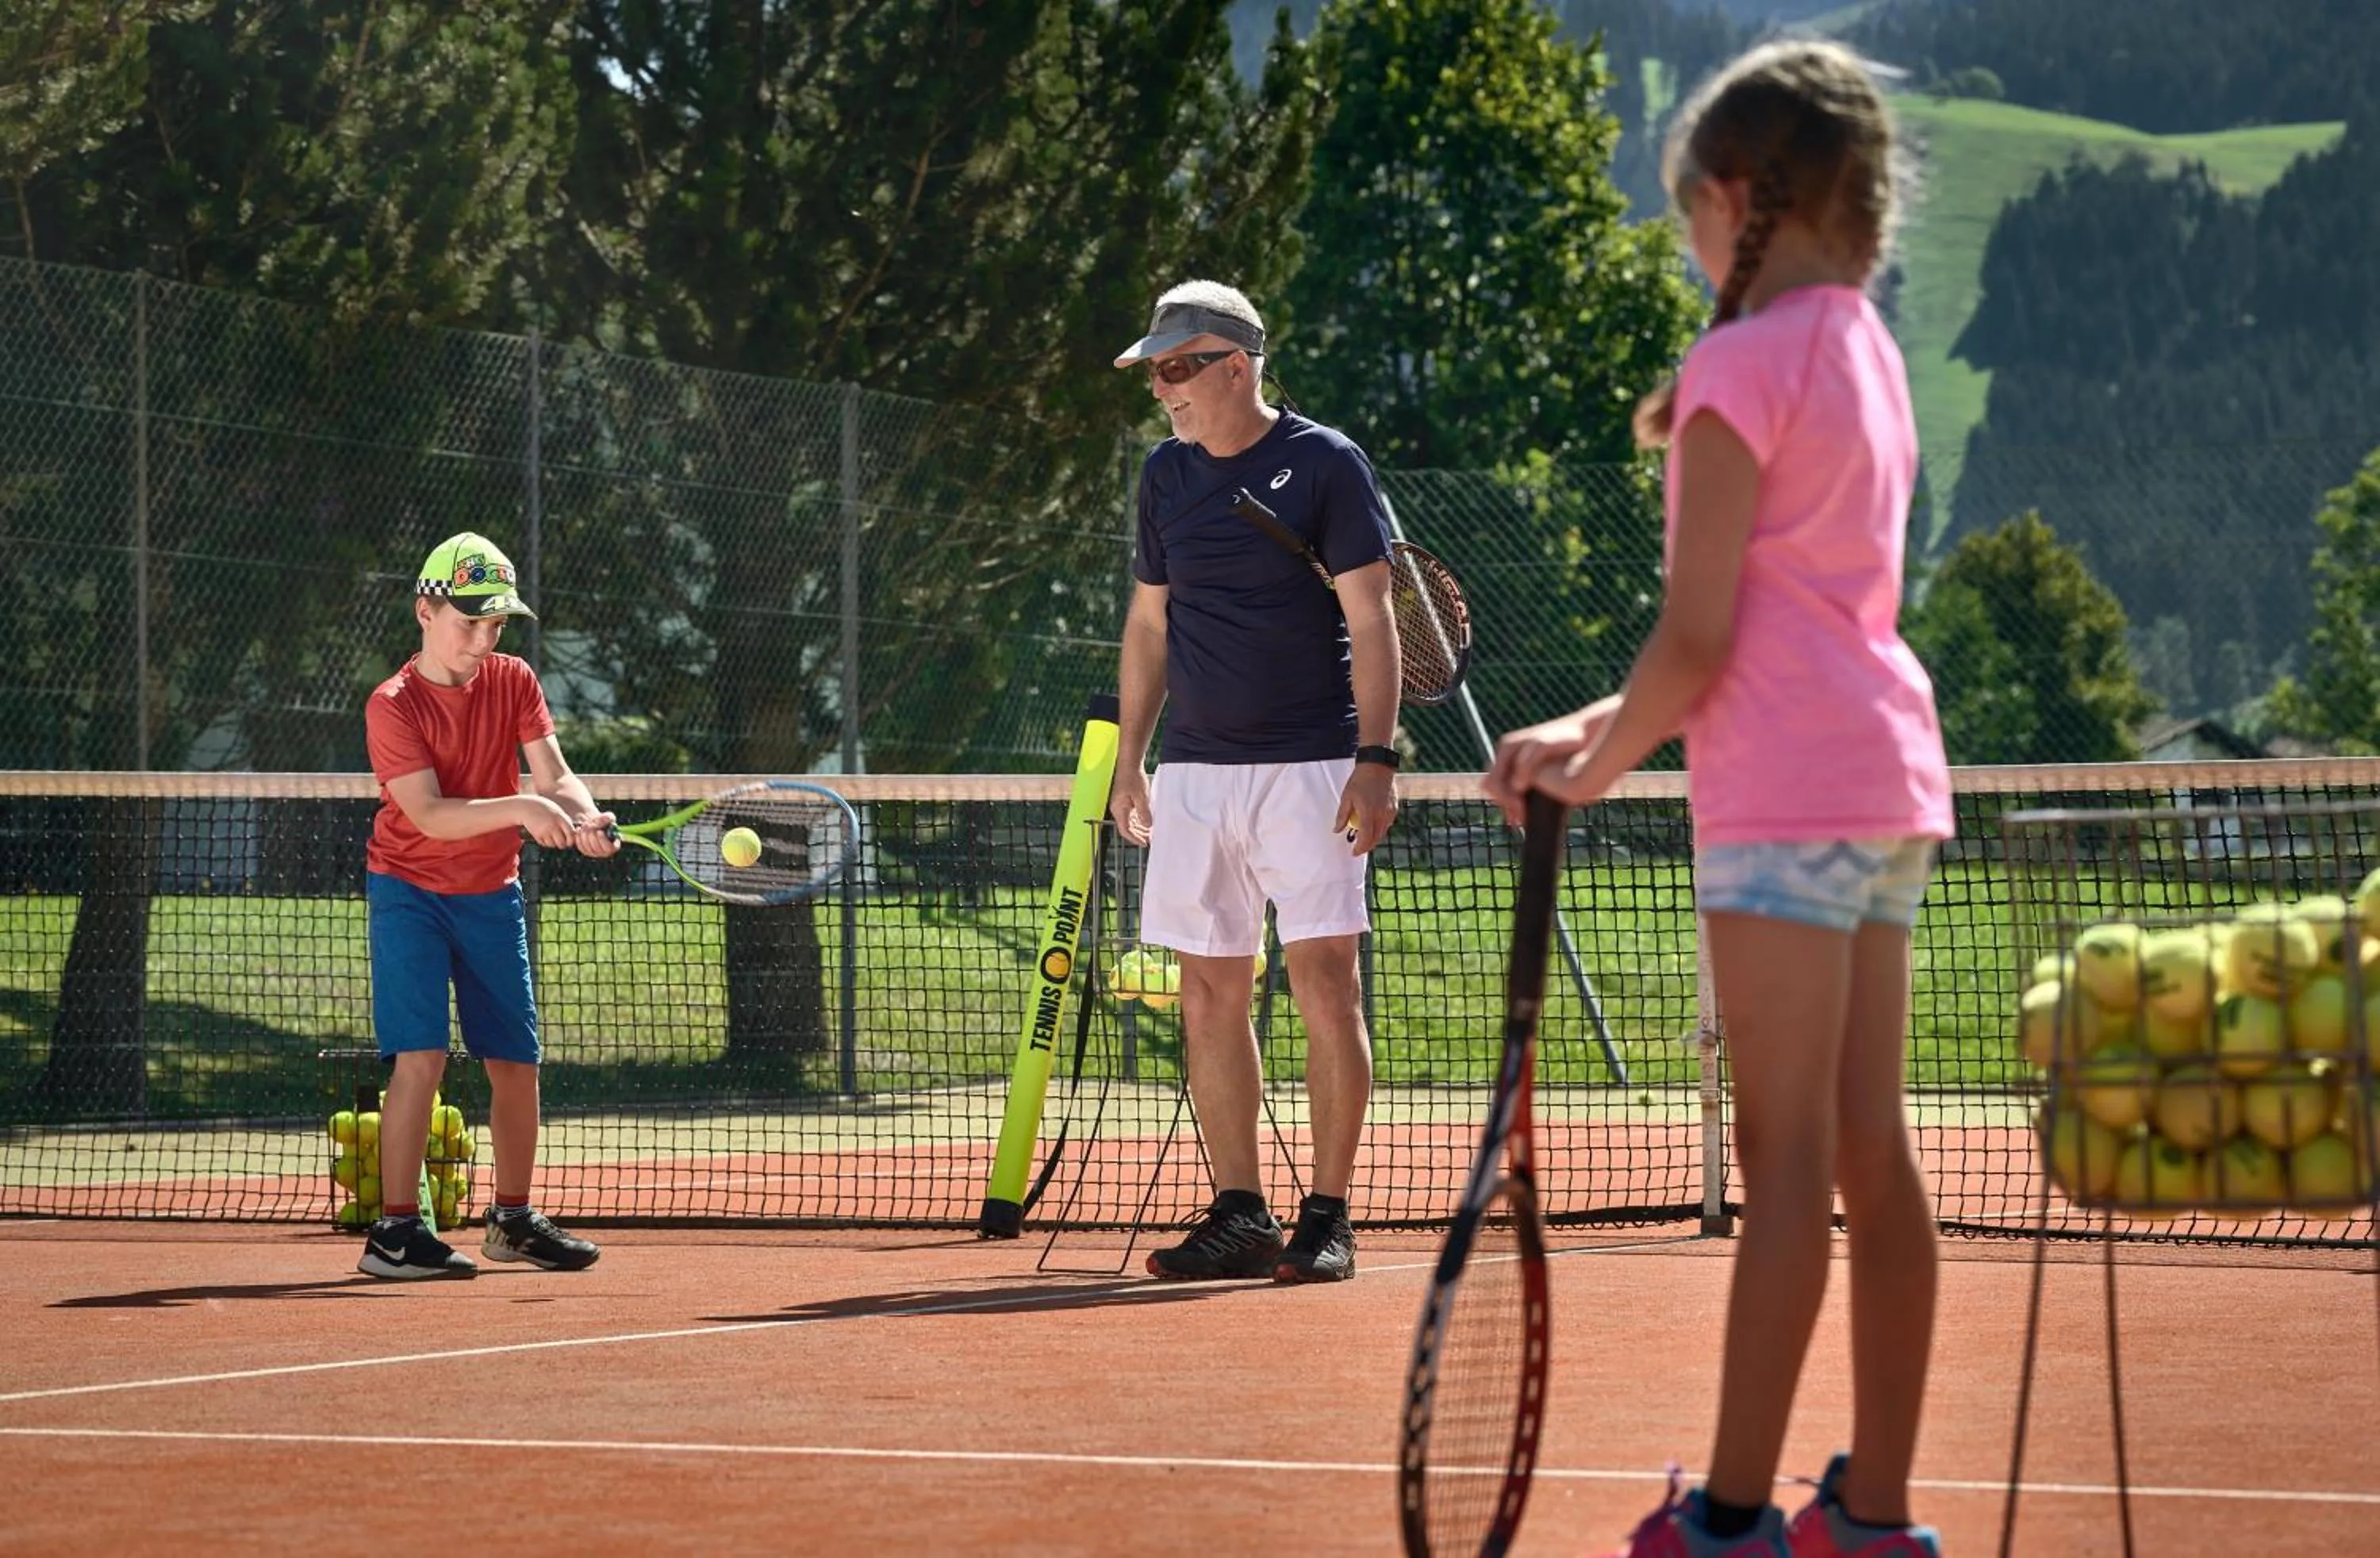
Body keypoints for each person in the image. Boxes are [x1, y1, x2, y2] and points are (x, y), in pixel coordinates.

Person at [1483, 41, 1950, 1558]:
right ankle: (1870, 1514)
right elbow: (1781, 622)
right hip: (1884, 781)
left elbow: (1703, 641)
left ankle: (1731, 1520)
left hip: (1785, 798)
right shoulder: (1868, 353)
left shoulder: (1736, 369)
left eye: (1686, 213)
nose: (1685, 241)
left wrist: (1591, 776)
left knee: (1786, 1158)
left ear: (1736, 199)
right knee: (1872, 1154)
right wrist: (1588, 730)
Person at [1108, 280, 1402, 1284]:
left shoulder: (1325, 462)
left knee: (1325, 981)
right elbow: (1150, 625)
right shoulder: (1163, 477)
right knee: (1206, 992)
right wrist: (1130, 758)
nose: (1164, 389)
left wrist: (1377, 756)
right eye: (1154, 373)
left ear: (1237, 363)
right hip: (1195, 773)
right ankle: (1241, 1209)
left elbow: (1373, 617)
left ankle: (1329, 1215)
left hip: (1314, 767)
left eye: (1179, 367)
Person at [356, 531, 616, 1280]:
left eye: (495, 623)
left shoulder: (513, 678)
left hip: (490, 894)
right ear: (425, 611)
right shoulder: (393, 705)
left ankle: (512, 1220)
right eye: (469, 622)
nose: (483, 638)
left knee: (516, 1061)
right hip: (407, 891)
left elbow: (556, 775)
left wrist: (583, 814)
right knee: (423, 1056)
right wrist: (522, 808)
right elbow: (431, 815)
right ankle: (395, 1233)